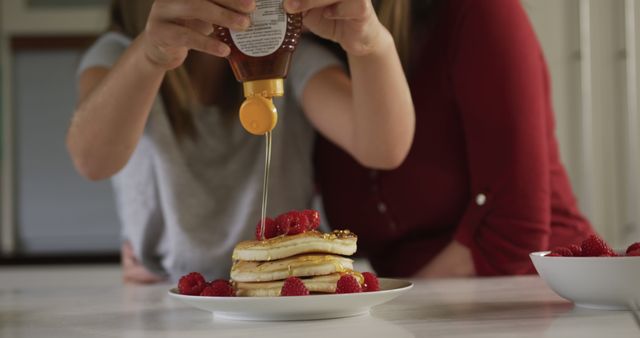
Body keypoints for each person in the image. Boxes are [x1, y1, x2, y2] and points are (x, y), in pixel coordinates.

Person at [66, 0, 415, 283]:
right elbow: (92, 160)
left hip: (282, 284)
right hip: (168, 288)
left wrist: (371, 44)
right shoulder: (122, 54)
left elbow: (382, 147)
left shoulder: (292, 54)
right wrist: (149, 55)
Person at [315, 0, 595, 277]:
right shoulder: (313, 60)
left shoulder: (478, 10)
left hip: (550, 290)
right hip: (430, 310)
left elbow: (514, 230)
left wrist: (399, 308)